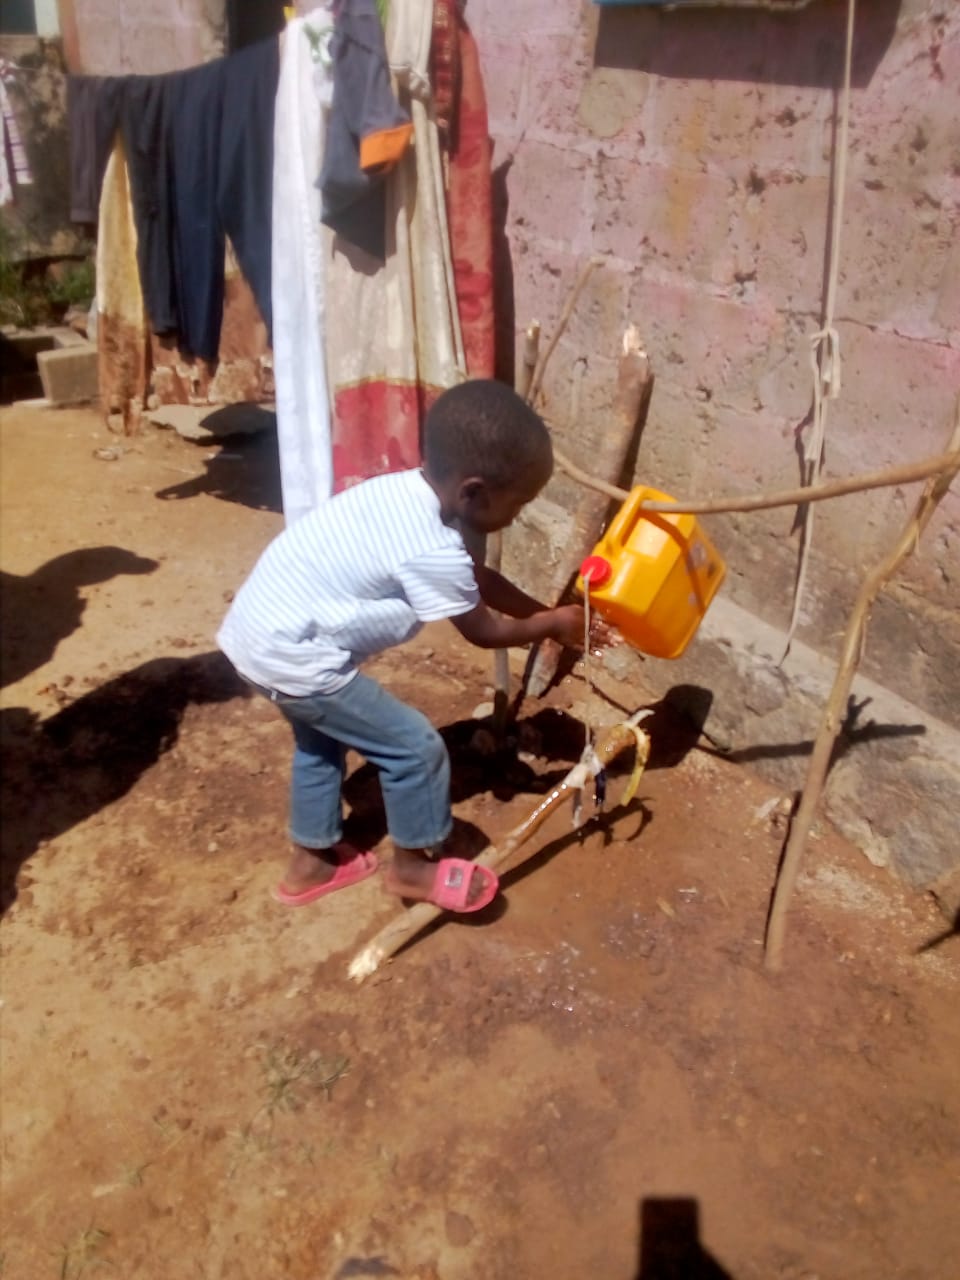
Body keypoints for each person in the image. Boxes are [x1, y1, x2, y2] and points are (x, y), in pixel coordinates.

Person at [217, 378, 589, 914]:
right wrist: (552, 625)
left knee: (319, 743)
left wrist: (541, 611)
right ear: (475, 492)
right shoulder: (432, 547)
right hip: (298, 656)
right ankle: (414, 870)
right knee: (414, 750)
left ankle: (311, 863)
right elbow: (481, 630)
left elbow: (474, 580)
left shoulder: (405, 494)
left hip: (261, 636)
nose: (520, 514)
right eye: (520, 502)